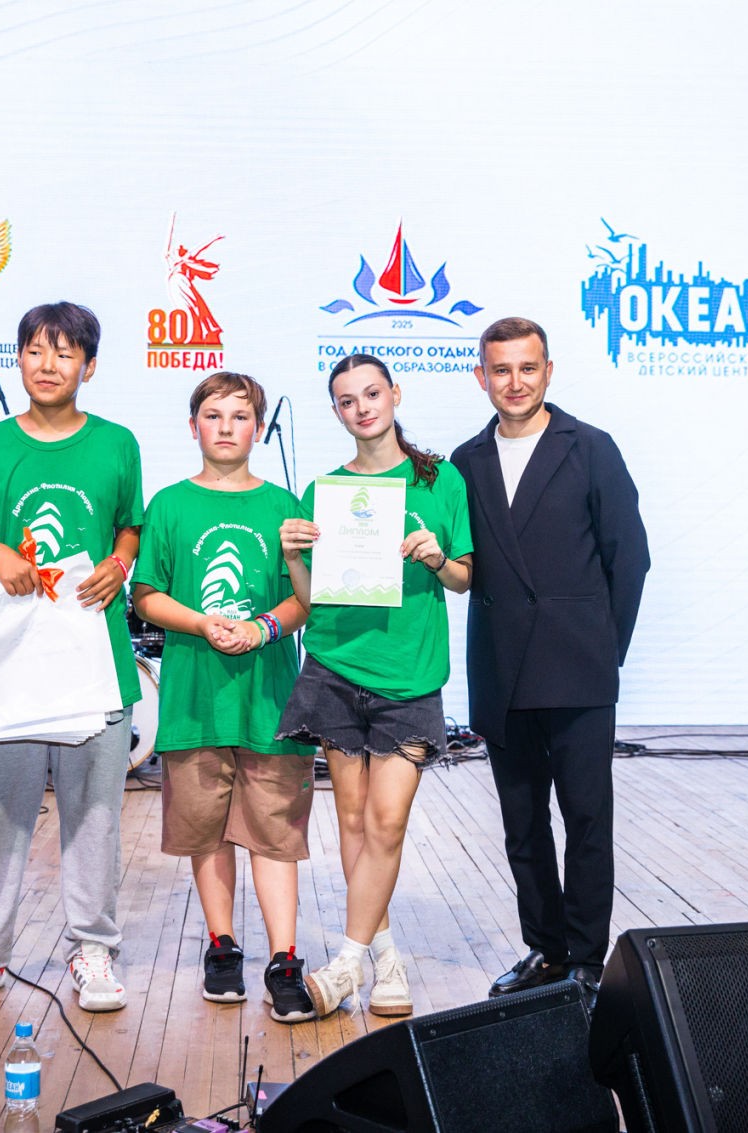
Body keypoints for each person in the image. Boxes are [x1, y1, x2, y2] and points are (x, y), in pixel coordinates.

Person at [0, 301, 144, 1014]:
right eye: (35, 350)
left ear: (89, 366)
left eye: (65, 352)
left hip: (95, 658)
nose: (48, 365)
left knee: (95, 819)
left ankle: (93, 947)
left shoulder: (117, 444)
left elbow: (130, 525)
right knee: (0, 820)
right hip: (12, 662)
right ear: (19, 358)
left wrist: (119, 561)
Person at [448, 316, 649, 1003]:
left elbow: (630, 558)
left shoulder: (590, 448)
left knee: (587, 819)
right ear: (481, 376)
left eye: (527, 368)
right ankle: (546, 949)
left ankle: (587, 958)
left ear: (549, 371)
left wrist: (602, 648)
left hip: (578, 668)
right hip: (502, 669)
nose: (515, 382)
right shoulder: (466, 460)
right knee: (522, 824)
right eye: (501, 370)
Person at [277, 352, 473, 1019]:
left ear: (395, 394)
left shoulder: (440, 479)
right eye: (346, 400)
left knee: (387, 821)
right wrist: (293, 557)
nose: (361, 408)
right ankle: (384, 960)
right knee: (355, 823)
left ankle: (345, 964)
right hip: (335, 668)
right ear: (336, 411)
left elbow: (465, 578)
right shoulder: (324, 491)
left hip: (409, 677)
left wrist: (437, 557)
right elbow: (311, 601)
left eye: (371, 394)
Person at [130, 372, 318, 1023]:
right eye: (213, 415)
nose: (227, 426)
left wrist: (263, 627)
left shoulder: (285, 505)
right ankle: (222, 947)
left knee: (275, 834)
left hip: (270, 702)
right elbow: (145, 594)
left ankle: (285, 960)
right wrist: (202, 623)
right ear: (193, 427)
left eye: (240, 416)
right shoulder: (169, 504)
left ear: (258, 428)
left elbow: (304, 599)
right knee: (206, 831)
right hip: (194, 701)